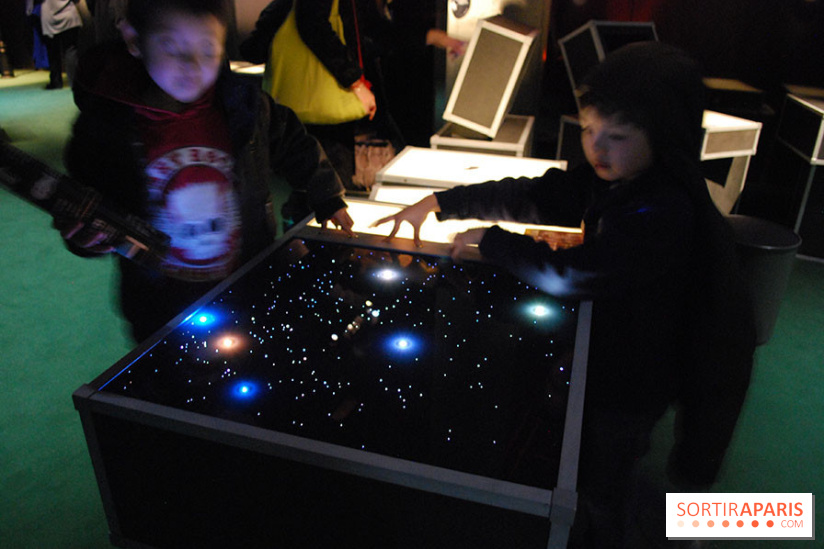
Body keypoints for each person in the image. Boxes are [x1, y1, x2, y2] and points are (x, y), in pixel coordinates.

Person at [374, 42, 756, 548]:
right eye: (589, 130)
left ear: (663, 136)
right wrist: (441, 202)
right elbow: (537, 194)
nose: (596, 148)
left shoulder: (666, 207)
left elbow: (576, 275)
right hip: (613, 358)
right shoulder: (620, 177)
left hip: (633, 383)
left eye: (616, 136)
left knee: (606, 485)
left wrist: (493, 240)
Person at [56, 0, 355, 344]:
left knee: (246, 360)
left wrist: (327, 194)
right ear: (134, 39)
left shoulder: (241, 104)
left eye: (208, 49)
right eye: (172, 47)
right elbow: (84, 200)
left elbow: (291, 138)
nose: (193, 66)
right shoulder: (105, 128)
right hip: (158, 299)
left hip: (244, 279)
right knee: (166, 377)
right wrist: (86, 238)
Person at [41, 0, 83, 89]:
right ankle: (75, 83)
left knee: (53, 52)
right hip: (69, 14)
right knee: (70, 50)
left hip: (49, 14)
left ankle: (56, 82)